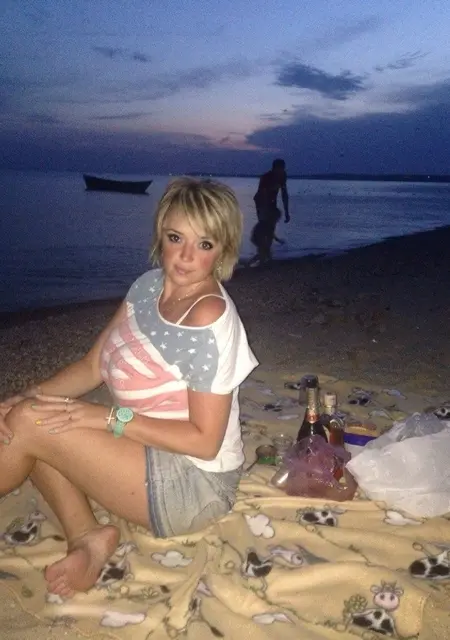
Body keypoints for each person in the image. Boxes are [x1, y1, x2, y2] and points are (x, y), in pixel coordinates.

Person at [0, 178, 258, 599]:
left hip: (194, 483)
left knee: (30, 423)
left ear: (223, 249)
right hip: (144, 447)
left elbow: (204, 441)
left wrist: (109, 418)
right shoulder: (147, 287)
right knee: (35, 414)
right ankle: (88, 537)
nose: (186, 256)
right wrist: (26, 395)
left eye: (205, 244)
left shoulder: (207, 318)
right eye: (176, 238)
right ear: (161, 234)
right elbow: (92, 366)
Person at [249, 158, 290, 266]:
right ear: (275, 168)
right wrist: (264, 213)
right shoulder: (266, 177)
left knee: (270, 230)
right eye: (280, 169)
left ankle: (265, 257)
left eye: (283, 169)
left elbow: (284, 194)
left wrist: (287, 212)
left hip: (272, 204)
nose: (282, 171)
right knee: (264, 229)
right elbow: (261, 194)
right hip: (261, 203)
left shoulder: (283, 176)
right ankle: (264, 256)